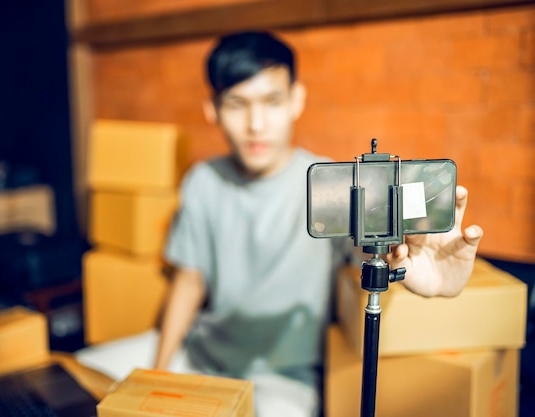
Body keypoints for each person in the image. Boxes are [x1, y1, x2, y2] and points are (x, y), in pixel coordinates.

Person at [77, 30, 483, 417]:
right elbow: (189, 280)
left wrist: (413, 271)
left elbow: (366, 250)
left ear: (296, 100)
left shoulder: (330, 181)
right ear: (213, 109)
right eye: (237, 104)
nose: (256, 124)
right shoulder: (203, 180)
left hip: (284, 379)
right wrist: (159, 373)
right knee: (74, 378)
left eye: (271, 101)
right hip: (200, 353)